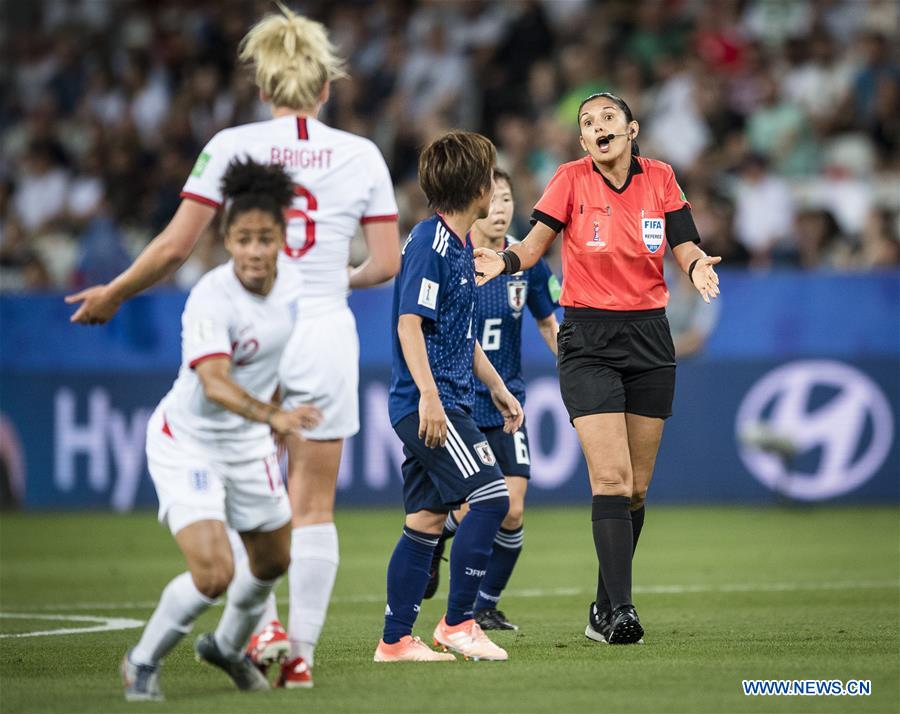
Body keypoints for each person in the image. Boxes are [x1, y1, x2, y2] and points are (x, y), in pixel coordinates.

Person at [65, 7, 400, 687]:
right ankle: (296, 657)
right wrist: (335, 277)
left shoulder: (230, 144)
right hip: (327, 331)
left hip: (255, 325)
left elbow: (174, 246)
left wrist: (114, 293)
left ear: (262, 84)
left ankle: (262, 629)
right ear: (327, 87)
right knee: (311, 506)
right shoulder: (361, 154)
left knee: (251, 484)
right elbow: (386, 263)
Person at [474, 93, 721, 645]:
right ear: (583, 141)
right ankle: (623, 613)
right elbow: (535, 246)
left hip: (651, 337)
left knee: (635, 489)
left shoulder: (660, 177)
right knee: (610, 478)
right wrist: (504, 259)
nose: (597, 126)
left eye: (607, 118)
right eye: (587, 123)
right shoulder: (569, 179)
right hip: (586, 337)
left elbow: (684, 243)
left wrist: (700, 265)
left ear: (631, 129)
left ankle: (601, 608)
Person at [121, 158, 322, 701]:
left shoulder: (297, 289)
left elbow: (286, 360)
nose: (254, 251)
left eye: (264, 238)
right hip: (189, 443)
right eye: (242, 239)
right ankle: (141, 662)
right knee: (213, 574)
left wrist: (282, 406)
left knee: (273, 562)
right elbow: (214, 382)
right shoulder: (210, 297)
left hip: (247, 442)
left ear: (281, 237)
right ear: (226, 241)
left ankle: (228, 647)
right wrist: (275, 417)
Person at [373, 131, 524, 663]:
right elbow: (409, 324)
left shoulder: (461, 247)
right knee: (491, 497)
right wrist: (432, 399)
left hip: (448, 397)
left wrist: (498, 387)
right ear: (478, 187)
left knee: (426, 521)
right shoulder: (431, 244)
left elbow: (460, 333)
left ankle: (394, 641)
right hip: (430, 404)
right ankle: (459, 622)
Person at [423, 168, 560, 632]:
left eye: (508, 201)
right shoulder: (456, 259)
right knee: (476, 508)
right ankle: (438, 532)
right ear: (478, 202)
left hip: (508, 402)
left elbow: (546, 321)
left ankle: (485, 603)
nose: (502, 210)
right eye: (495, 200)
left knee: (513, 507)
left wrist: (574, 363)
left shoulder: (527, 262)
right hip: (462, 397)